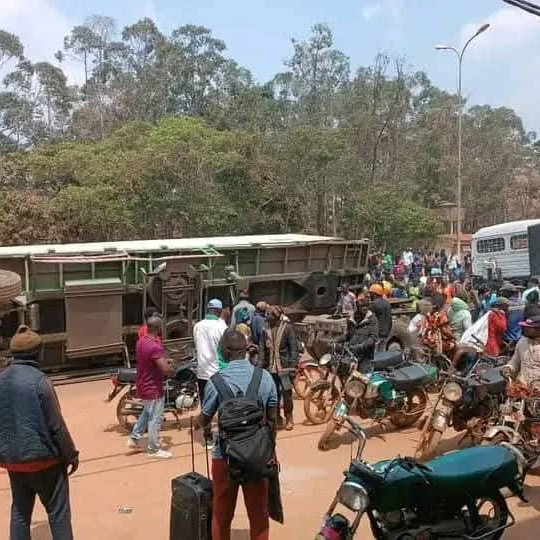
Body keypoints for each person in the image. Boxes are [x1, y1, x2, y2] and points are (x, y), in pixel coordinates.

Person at [195, 330, 278, 540]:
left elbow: (203, 421)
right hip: (258, 458)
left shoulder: (215, 382)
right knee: (259, 518)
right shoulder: (265, 377)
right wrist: (269, 451)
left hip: (224, 457)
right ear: (245, 350)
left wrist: (198, 422)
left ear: (223, 352)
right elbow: (273, 420)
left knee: (221, 517)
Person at [0, 325, 79, 539]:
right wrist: (71, 455)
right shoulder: (40, 381)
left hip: (14, 461)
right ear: (37, 352)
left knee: (20, 512)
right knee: (58, 513)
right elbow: (56, 426)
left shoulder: (1, 380)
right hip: (45, 462)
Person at [128, 316, 175, 458]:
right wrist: (171, 370)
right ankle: (153, 449)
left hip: (143, 384)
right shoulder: (155, 346)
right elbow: (165, 370)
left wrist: (164, 360)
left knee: (147, 412)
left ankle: (134, 437)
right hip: (153, 387)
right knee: (156, 417)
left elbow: (150, 361)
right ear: (158, 328)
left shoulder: (141, 342)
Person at [193, 299, 228, 447]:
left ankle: (207, 438)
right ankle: (223, 437)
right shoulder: (221, 326)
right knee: (223, 406)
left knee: (206, 406)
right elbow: (225, 349)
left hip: (202, 373)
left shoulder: (197, 326)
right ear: (219, 312)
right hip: (218, 373)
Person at [261, 306, 299, 431]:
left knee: (287, 394)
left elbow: (294, 349)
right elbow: (262, 348)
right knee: (273, 394)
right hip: (270, 368)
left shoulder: (287, 328)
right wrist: (261, 364)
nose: (268, 319)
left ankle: (289, 418)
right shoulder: (265, 329)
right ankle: (277, 418)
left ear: (277, 317)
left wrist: (293, 367)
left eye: (270, 316)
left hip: (285, 368)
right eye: (267, 316)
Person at [337, 303, 379, 369]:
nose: (365, 308)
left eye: (366, 305)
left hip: (365, 357)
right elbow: (348, 336)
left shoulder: (372, 320)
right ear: (357, 307)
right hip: (352, 355)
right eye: (362, 305)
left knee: (362, 377)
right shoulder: (352, 319)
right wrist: (337, 340)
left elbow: (373, 338)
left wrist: (361, 346)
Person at [503, 315, 540, 387]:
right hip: (523, 387)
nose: (525, 329)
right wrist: (509, 367)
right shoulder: (522, 341)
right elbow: (516, 359)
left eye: (529, 328)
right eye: (525, 327)